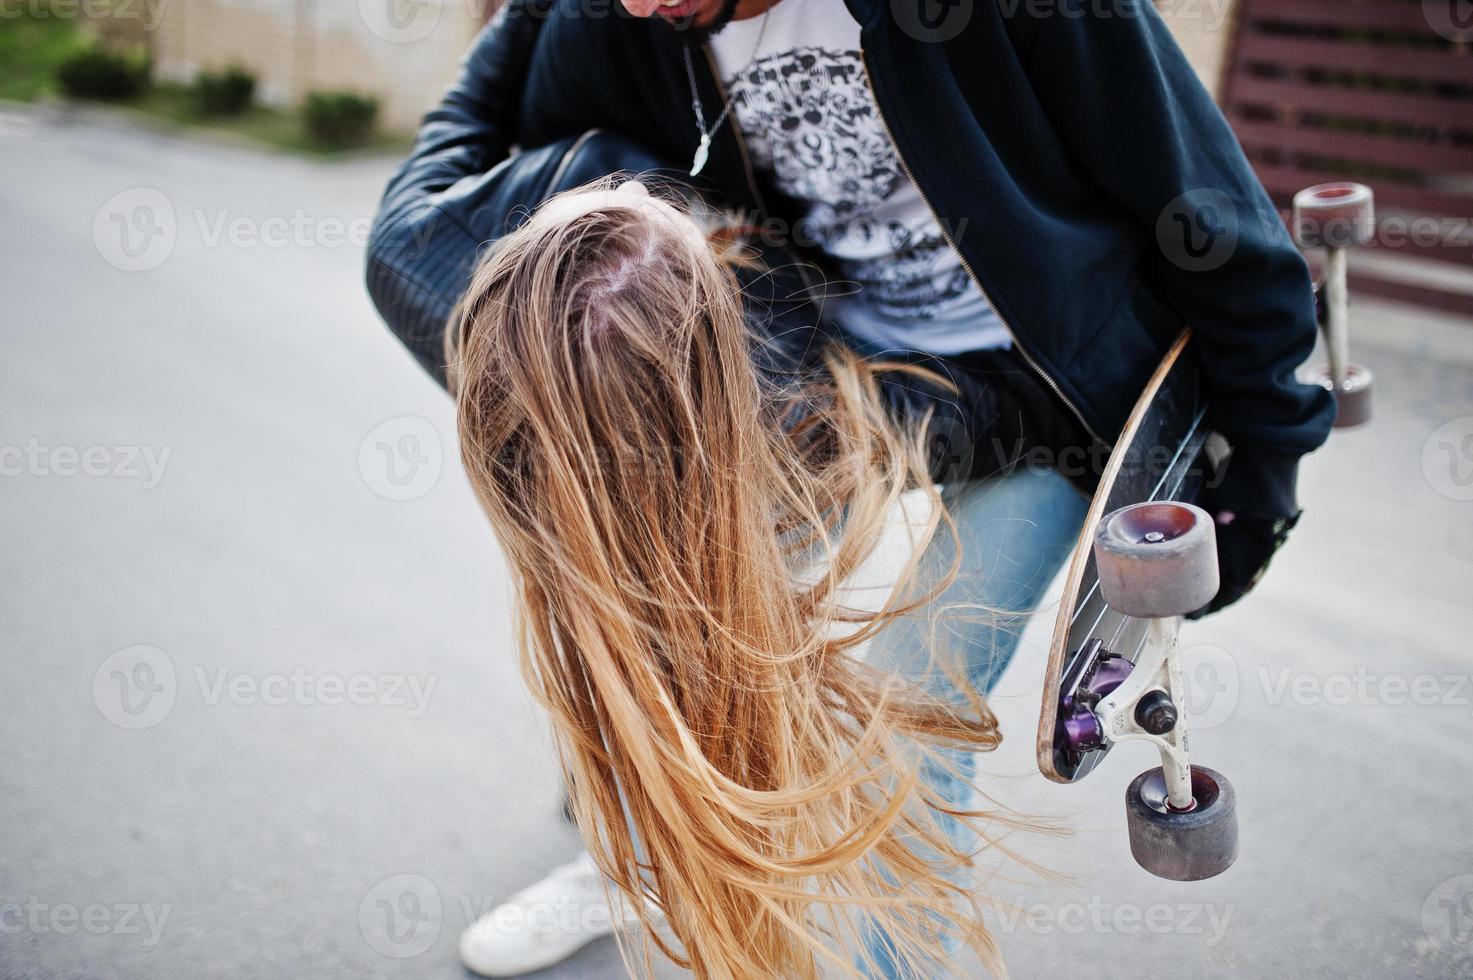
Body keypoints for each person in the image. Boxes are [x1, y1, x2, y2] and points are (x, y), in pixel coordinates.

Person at [365, 0, 1336, 974]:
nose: (640, 4)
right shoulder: (617, 20)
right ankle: (633, 859)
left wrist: (1262, 474)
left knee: (907, 715)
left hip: (1045, 387)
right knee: (667, 614)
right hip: (818, 376)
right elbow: (444, 204)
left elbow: (1212, 214)